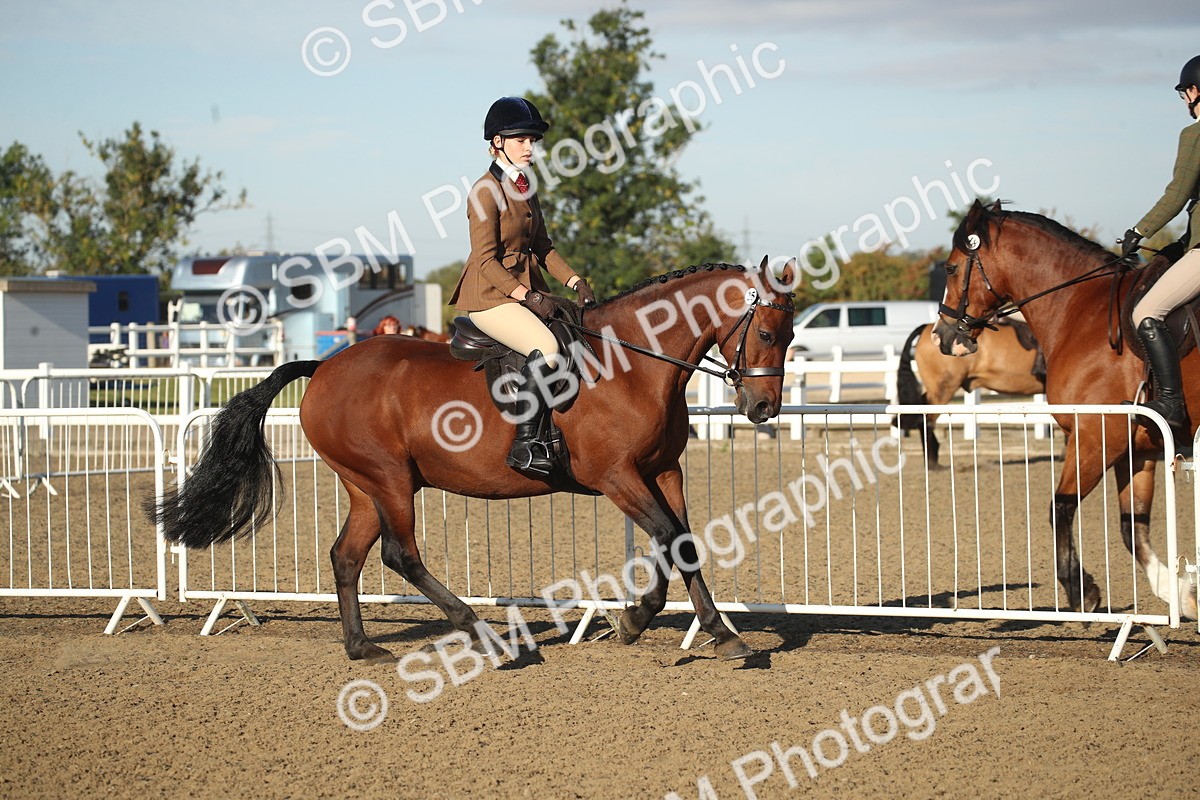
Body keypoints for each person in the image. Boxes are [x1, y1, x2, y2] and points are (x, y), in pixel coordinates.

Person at [447, 96, 596, 475]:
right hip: (490, 297)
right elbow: (485, 261)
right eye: (521, 141)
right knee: (546, 347)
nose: (530, 148)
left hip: (526, 292)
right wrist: (526, 295)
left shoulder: (525, 186)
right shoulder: (484, 191)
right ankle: (525, 445)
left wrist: (576, 281)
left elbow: (543, 247)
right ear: (497, 143)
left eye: (532, 141)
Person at [1121, 55, 1200, 439]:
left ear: (1195, 91)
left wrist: (1140, 231)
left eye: (1186, 93)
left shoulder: (1196, 134)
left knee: (1146, 310)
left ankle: (1170, 402)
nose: (1186, 100)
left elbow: (1178, 194)